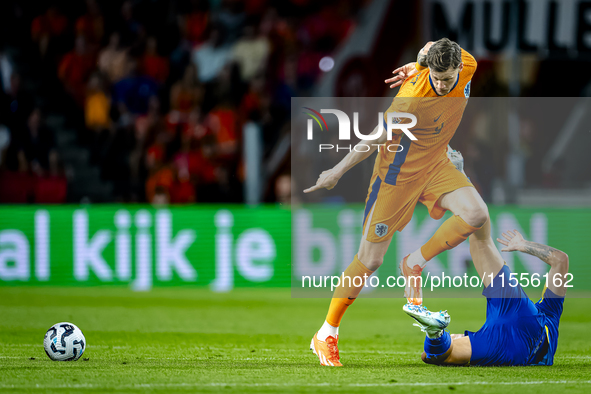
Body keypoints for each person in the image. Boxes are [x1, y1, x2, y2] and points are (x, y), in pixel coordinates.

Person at [306, 38, 486, 366]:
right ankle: (326, 332)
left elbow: (431, 44)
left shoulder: (468, 64)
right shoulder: (410, 100)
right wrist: (337, 170)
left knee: (476, 213)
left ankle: (413, 261)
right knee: (370, 259)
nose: (442, 85)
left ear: (460, 67)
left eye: (448, 78)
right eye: (435, 77)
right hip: (396, 176)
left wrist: (419, 61)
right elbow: (374, 138)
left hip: (436, 164)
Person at [405, 225, 568, 366]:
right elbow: (561, 259)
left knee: (481, 240)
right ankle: (434, 333)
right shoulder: (550, 313)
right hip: (515, 349)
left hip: (518, 316)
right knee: (433, 356)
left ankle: (471, 205)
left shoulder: (550, 311)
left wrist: (523, 245)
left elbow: (560, 260)